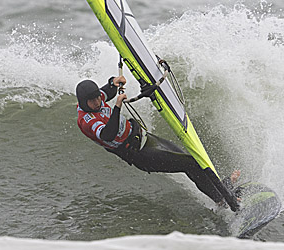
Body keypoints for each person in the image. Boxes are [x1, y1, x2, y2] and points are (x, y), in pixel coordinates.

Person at [75, 75, 240, 209]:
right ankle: (223, 200)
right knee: (191, 163)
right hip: (140, 154)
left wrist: (112, 82)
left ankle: (222, 188)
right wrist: (117, 107)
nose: (97, 102)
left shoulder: (96, 100)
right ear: (83, 102)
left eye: (97, 98)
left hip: (146, 139)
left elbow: (106, 92)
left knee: (190, 159)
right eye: (92, 101)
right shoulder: (86, 120)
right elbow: (107, 135)